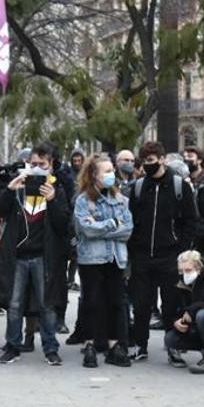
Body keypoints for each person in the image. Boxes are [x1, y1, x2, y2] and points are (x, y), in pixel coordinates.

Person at [0, 145, 69, 366]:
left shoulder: (57, 189)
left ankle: (50, 347)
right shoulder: (18, 188)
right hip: (18, 256)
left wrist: (53, 199)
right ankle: (13, 345)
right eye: (32, 164)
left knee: (47, 304)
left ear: (51, 166)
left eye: (41, 165)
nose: (36, 169)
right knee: (14, 304)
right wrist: (9, 190)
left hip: (43, 257)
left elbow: (63, 224)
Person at [126, 141, 202, 360]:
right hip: (142, 256)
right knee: (141, 306)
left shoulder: (180, 186)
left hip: (170, 256)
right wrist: (134, 249)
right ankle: (140, 345)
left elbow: (191, 221)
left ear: (162, 159)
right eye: (145, 161)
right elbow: (132, 220)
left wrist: (181, 249)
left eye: (151, 160)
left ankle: (173, 346)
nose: (147, 165)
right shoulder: (139, 187)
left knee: (171, 305)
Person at [73, 156, 133, 367]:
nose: (111, 175)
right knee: (92, 302)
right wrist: (112, 223)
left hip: (115, 258)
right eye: (105, 171)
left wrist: (101, 226)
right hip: (91, 259)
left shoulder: (121, 199)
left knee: (116, 302)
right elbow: (86, 229)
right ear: (94, 175)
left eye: (111, 170)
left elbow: (127, 229)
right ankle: (89, 344)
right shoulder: (83, 200)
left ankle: (114, 345)